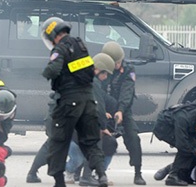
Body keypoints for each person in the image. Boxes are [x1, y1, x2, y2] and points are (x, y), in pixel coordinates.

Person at [40, 16, 108, 187]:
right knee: (90, 142)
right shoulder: (80, 45)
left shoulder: (60, 49)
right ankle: (101, 175)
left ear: (53, 35)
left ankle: (59, 182)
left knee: (59, 141)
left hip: (69, 102)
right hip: (88, 101)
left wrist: (46, 72)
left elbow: (53, 70)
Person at [65, 52, 118, 186]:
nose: (105, 77)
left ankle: (89, 174)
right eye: (104, 73)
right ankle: (88, 177)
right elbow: (98, 107)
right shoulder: (93, 83)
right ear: (97, 69)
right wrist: (104, 127)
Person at [101, 41, 146, 185]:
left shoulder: (128, 70)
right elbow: (96, 92)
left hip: (123, 110)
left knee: (133, 138)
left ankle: (137, 172)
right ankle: (84, 171)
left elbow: (127, 92)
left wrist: (120, 110)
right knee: (96, 138)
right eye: (115, 62)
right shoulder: (100, 67)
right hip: (104, 110)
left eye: (119, 61)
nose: (118, 65)